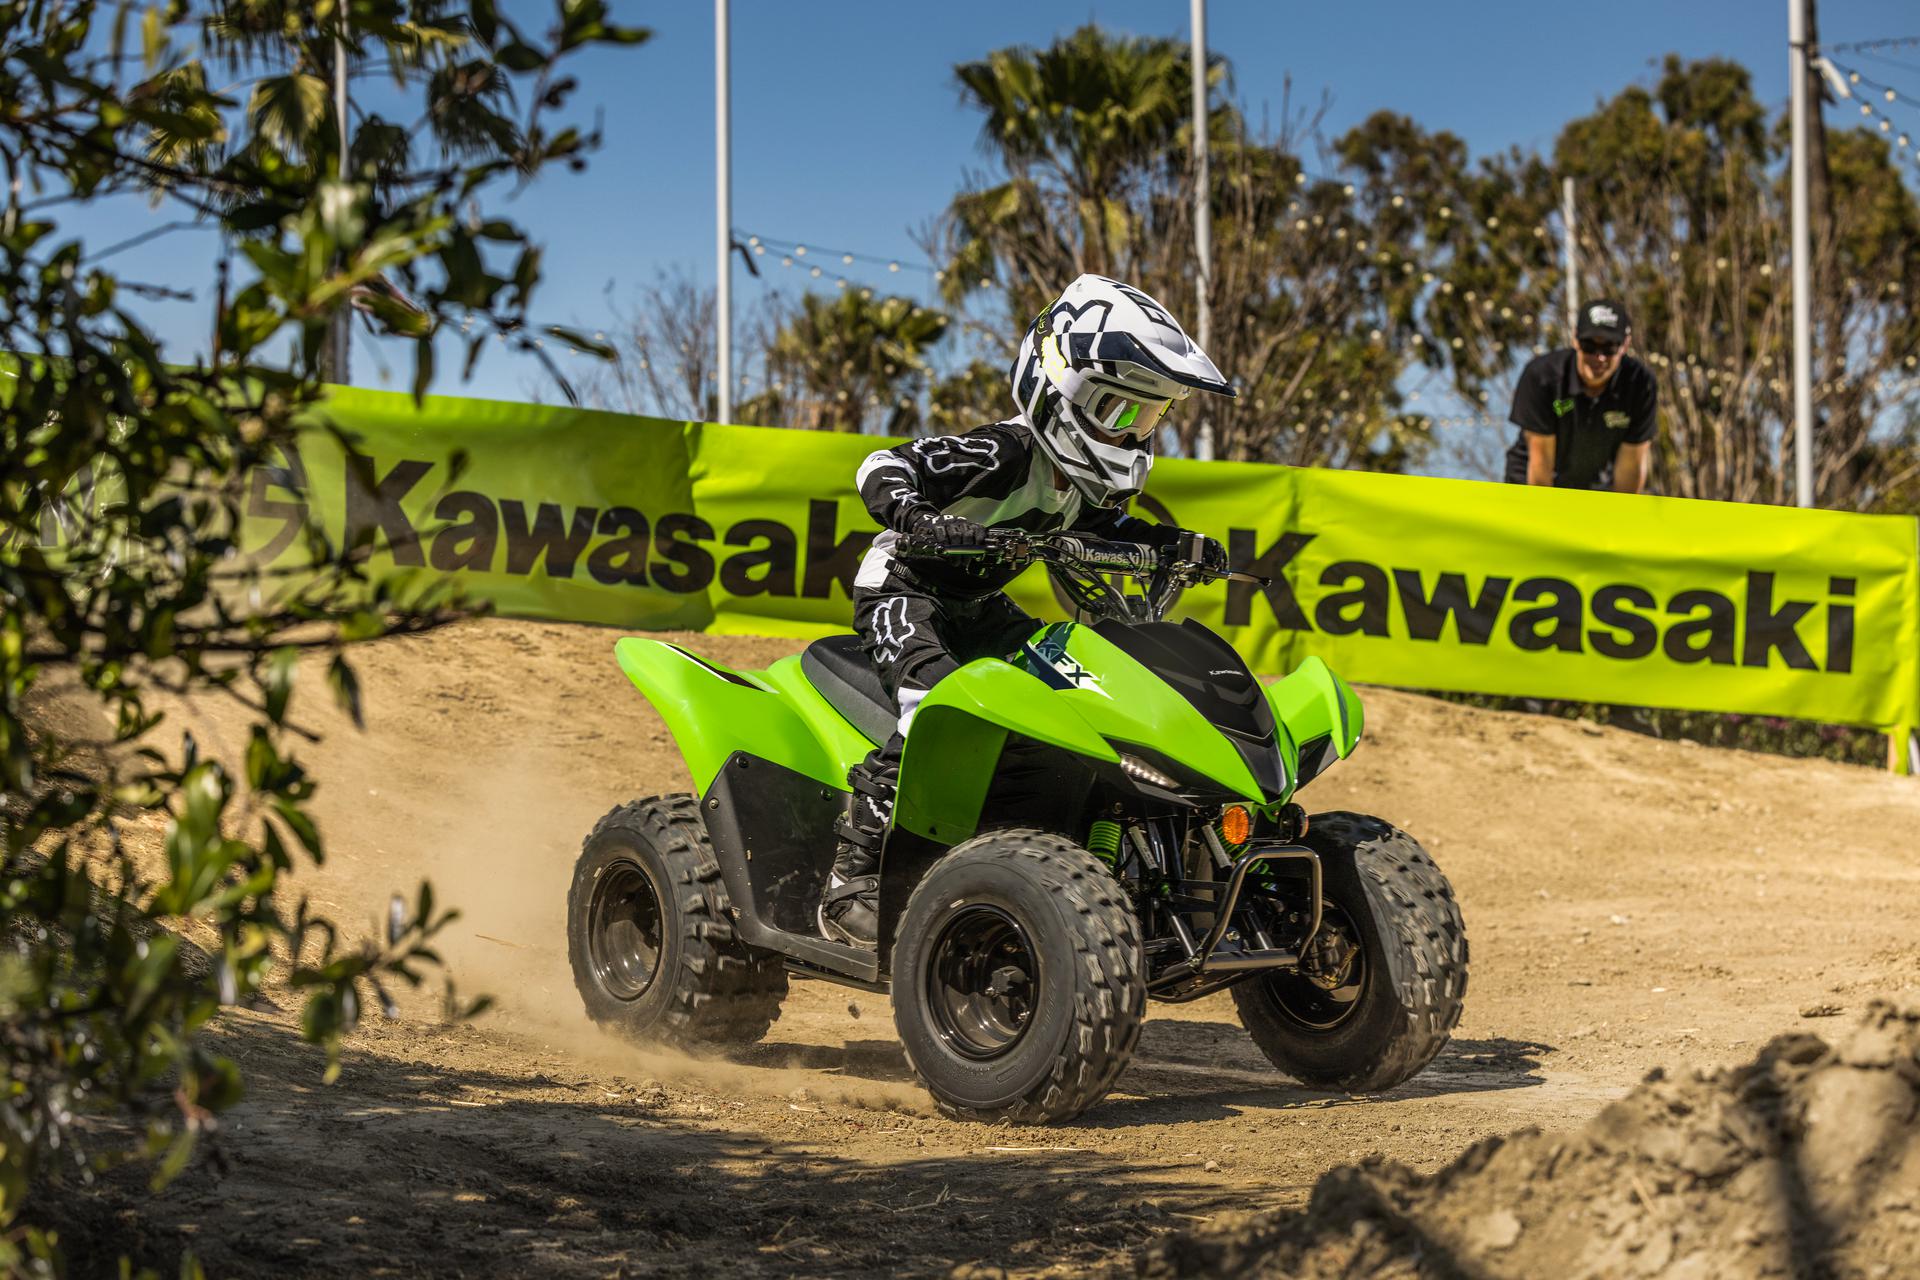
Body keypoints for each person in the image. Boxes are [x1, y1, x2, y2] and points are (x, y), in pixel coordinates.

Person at [818, 274, 1237, 946]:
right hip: (904, 589)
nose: (1135, 433)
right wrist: (920, 518)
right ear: (1060, 388)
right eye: (1121, 413)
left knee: (1070, 695)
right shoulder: (1003, 452)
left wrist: (1176, 545)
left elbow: (1110, 532)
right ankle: (851, 877)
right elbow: (881, 466)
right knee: (934, 707)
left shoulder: (1084, 485)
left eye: (1149, 418)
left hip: (982, 604)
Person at [1503, 299, 1657, 493]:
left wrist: (1620, 511)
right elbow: (1540, 466)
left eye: (1609, 347)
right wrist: (1543, 509)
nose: (1599, 358)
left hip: (1596, 485)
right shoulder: (1543, 377)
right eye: (1589, 345)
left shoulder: (1640, 385)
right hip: (1531, 480)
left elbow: (1630, 468)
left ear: (1625, 345)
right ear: (1575, 339)